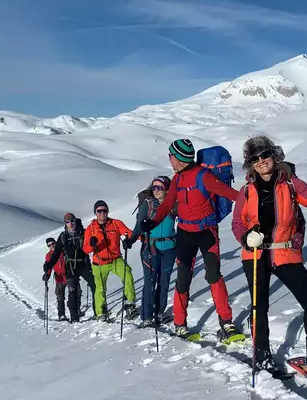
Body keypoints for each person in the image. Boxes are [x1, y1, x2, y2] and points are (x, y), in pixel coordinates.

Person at [232, 135, 307, 381]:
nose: (261, 161)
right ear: (249, 164)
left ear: (273, 155)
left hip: (285, 251)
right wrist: (246, 238)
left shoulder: (290, 183)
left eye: (264, 155)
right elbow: (237, 222)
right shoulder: (245, 191)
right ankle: (262, 353)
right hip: (255, 254)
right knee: (259, 307)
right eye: (254, 158)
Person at [140, 138, 239, 340]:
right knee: (183, 278)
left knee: (214, 275)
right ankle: (180, 323)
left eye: (171, 155)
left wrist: (252, 210)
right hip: (185, 233)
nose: (169, 159)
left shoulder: (204, 177)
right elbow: (168, 204)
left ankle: (226, 322)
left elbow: (233, 194)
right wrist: (153, 222)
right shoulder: (177, 179)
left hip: (206, 233)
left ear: (180, 158)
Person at [129, 176, 178, 327]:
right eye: (154, 188)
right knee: (150, 282)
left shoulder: (174, 205)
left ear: (167, 189)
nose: (156, 191)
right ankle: (147, 316)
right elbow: (139, 225)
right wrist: (131, 239)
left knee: (164, 281)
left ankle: (160, 312)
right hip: (150, 247)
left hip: (170, 247)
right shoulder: (147, 204)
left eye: (160, 188)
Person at [83, 200, 139, 322]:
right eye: (99, 211)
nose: (102, 213)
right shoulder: (90, 229)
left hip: (115, 259)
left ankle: (130, 304)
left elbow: (129, 233)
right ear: (95, 213)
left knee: (127, 274)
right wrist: (92, 245)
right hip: (99, 263)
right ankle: (101, 312)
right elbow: (86, 249)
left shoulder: (115, 224)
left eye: (105, 210)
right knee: (100, 288)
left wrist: (142, 237)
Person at [44, 213, 96, 323]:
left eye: (72, 221)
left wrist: (93, 243)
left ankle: (98, 311)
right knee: (72, 291)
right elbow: (56, 254)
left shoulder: (84, 232)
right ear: (65, 223)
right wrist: (48, 265)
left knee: (94, 285)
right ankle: (74, 317)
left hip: (83, 264)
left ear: (75, 221)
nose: (70, 224)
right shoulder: (63, 236)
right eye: (67, 222)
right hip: (71, 266)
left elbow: (93, 243)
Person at [43, 237, 68, 320]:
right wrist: (47, 274)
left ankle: (75, 309)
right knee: (60, 296)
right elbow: (49, 267)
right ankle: (61, 315)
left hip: (69, 275)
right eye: (49, 245)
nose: (52, 246)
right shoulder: (48, 255)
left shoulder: (64, 250)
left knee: (76, 293)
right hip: (59, 277)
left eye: (53, 243)